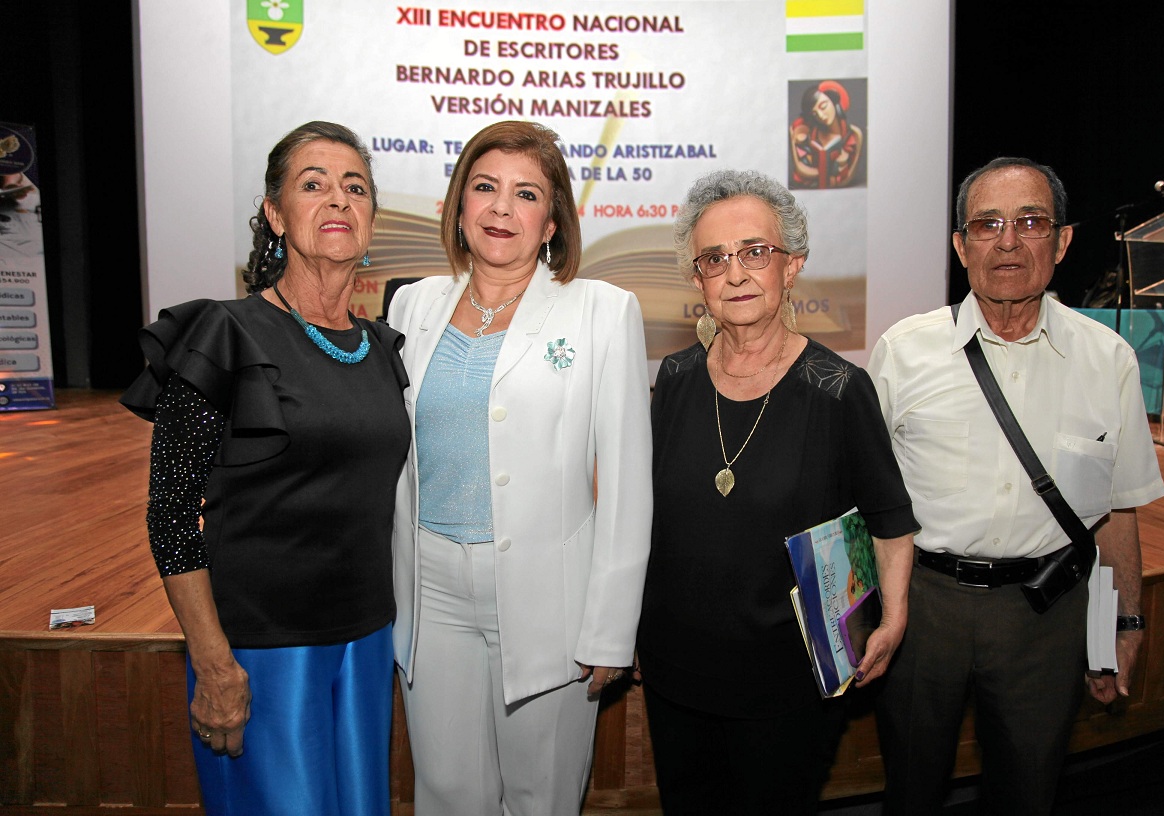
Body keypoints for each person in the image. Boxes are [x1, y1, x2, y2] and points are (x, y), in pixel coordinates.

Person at [121, 121, 410, 815]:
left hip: (367, 639)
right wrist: (215, 661)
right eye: (314, 185)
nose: (338, 200)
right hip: (262, 648)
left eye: (355, 188)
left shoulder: (380, 346)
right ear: (276, 215)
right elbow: (170, 515)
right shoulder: (225, 333)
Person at [867, 157, 1164, 814]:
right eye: (987, 224)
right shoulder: (903, 350)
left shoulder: (1107, 359)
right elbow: (865, 502)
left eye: (1030, 222)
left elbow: (1112, 515)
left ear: (1061, 241)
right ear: (960, 245)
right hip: (924, 609)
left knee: (1029, 793)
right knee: (911, 791)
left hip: (1046, 615)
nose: (1007, 241)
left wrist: (1122, 625)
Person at [385, 120, 652, 816]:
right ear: (459, 205)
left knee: (541, 799)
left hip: (550, 602)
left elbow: (626, 486)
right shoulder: (413, 305)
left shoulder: (602, 312)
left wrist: (610, 628)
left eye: (525, 193)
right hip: (432, 590)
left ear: (553, 221)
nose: (501, 209)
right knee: (446, 796)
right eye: (485, 188)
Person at [636, 169, 917, 814]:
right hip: (678, 670)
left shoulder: (838, 388)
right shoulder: (674, 381)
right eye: (715, 259)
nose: (735, 273)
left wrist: (895, 616)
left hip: (788, 681)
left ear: (791, 267)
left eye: (754, 253)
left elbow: (889, 518)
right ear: (697, 277)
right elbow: (646, 519)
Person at [789, 80, 863, 189]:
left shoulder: (854, 135)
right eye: (814, 113)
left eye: (823, 107)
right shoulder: (807, 136)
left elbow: (847, 178)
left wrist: (821, 175)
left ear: (834, 102)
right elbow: (800, 170)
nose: (820, 115)